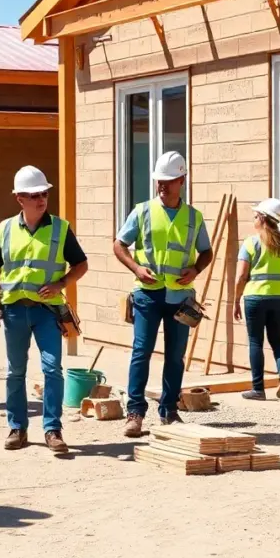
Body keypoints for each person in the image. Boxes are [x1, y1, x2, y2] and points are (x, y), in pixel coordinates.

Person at [0, 166, 88, 453]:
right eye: (34, 195)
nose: (41, 199)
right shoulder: (5, 229)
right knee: (15, 371)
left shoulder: (60, 228)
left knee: (52, 368)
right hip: (15, 311)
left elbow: (81, 264)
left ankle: (53, 429)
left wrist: (61, 284)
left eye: (44, 193)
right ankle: (17, 428)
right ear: (19, 199)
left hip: (47, 311)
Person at [113, 151, 213, 438]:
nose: (162, 185)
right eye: (159, 180)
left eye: (169, 181)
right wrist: (136, 268)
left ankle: (169, 410)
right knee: (141, 352)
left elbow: (207, 251)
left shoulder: (193, 217)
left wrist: (195, 270)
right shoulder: (143, 211)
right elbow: (119, 245)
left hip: (180, 297)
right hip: (147, 294)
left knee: (175, 356)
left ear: (182, 180)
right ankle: (135, 413)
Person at [232, 198, 280, 401]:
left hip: (255, 298)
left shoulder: (251, 243)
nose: (254, 219)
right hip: (279, 298)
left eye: (255, 216)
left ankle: (258, 389)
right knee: (277, 340)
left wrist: (235, 300)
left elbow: (242, 276)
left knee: (255, 342)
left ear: (262, 218)